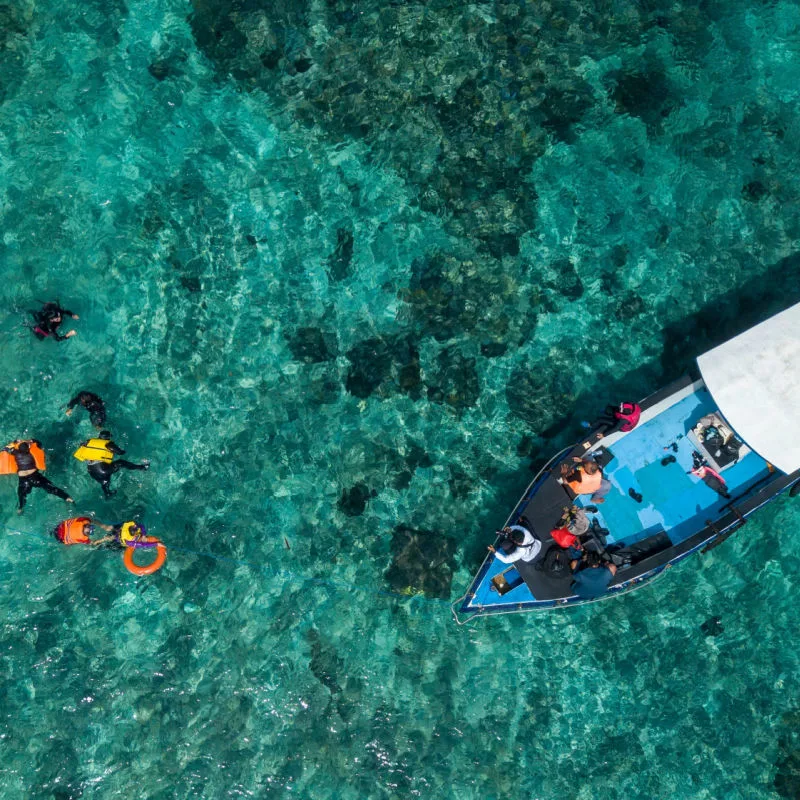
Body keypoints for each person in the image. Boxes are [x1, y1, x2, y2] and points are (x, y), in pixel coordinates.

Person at [73, 430, 149, 498]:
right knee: (120, 462)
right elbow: (119, 452)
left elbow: (81, 445)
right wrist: (123, 451)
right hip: (102, 469)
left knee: (105, 481)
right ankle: (142, 467)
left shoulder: (89, 441)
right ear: (108, 437)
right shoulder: (108, 444)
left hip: (91, 470)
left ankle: (107, 494)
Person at [4, 440, 73, 512]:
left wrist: (15, 443)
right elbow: (38, 443)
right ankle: (67, 498)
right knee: (51, 488)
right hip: (35, 477)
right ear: (28, 448)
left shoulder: (15, 453)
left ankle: (20, 509)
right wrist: (30, 441)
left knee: (21, 496)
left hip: (23, 480)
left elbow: (6, 449)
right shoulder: (31, 453)